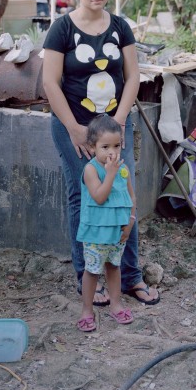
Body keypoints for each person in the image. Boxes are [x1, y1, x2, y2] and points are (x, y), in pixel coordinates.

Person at [42, 0, 161, 309]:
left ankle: (130, 277)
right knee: (83, 197)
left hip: (114, 130)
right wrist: (74, 129)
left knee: (122, 195)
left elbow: (134, 76)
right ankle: (87, 278)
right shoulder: (61, 29)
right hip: (73, 127)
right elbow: (50, 82)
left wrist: (121, 121)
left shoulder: (120, 26)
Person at [75, 115, 137, 331]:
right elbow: (99, 196)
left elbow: (131, 197)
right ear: (92, 148)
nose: (113, 152)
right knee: (92, 271)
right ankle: (86, 310)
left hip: (117, 232)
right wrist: (110, 174)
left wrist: (130, 222)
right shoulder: (91, 170)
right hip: (96, 233)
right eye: (105, 147)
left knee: (114, 267)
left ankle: (116, 304)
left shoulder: (123, 168)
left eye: (117, 146)